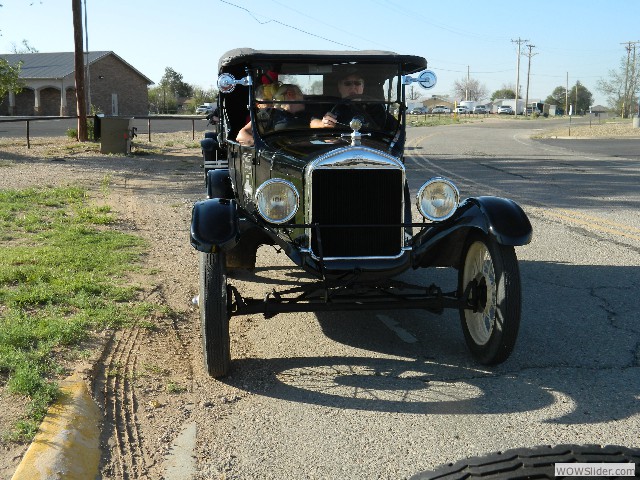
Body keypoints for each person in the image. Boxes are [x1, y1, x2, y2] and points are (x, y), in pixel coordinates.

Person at [310, 72, 393, 130]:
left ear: (362, 87)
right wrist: (322, 123)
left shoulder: (375, 107)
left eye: (357, 83)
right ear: (339, 87)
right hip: (338, 147)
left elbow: (396, 130)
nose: (353, 87)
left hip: (369, 147)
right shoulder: (329, 105)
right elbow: (312, 122)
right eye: (347, 83)